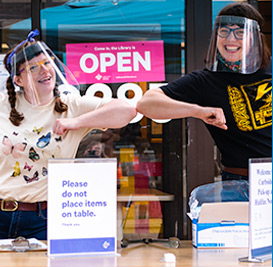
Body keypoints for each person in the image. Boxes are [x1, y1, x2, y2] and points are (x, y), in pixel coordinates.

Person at [0, 30, 136, 240]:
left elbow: (127, 111)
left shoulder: (71, 105)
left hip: (46, 218)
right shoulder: (3, 105)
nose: (44, 71)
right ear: (18, 80)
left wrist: (77, 122)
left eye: (47, 63)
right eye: (33, 67)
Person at [137, 3, 272, 182]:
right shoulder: (205, 81)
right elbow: (146, 103)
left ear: (255, 37)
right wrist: (197, 111)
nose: (231, 39)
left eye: (240, 32)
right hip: (239, 181)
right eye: (224, 31)